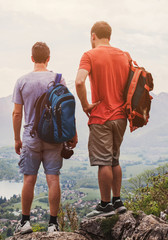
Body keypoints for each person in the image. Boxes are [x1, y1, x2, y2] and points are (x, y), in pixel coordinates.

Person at [12, 42, 78, 234]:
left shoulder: (22, 81)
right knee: (53, 179)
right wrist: (73, 133)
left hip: (31, 137)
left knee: (29, 179)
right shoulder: (58, 79)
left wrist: (17, 139)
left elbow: (17, 114)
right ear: (49, 58)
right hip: (54, 138)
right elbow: (67, 111)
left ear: (32, 58)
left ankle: (25, 222)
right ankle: (53, 224)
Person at [75, 21, 129, 217]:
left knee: (104, 162)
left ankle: (105, 205)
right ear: (110, 36)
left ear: (93, 36)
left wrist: (85, 104)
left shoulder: (89, 55)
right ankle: (118, 201)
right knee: (115, 159)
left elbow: (80, 80)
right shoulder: (124, 56)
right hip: (121, 116)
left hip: (101, 116)